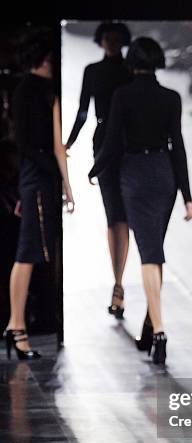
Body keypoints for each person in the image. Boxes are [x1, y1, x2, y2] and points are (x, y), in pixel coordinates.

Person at [89, 37, 192, 365]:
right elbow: (177, 145)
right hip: (164, 176)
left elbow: (112, 142)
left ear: (132, 62)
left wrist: (94, 170)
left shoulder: (122, 96)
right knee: (154, 250)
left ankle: (159, 330)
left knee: (150, 253)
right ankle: (150, 326)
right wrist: (187, 196)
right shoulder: (171, 98)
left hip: (133, 174)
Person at [4, 32, 75, 360]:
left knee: (28, 252)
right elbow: (39, 147)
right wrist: (63, 182)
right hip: (38, 177)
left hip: (35, 178)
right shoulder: (35, 92)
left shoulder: (29, 91)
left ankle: (16, 325)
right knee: (27, 253)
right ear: (43, 60)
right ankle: (16, 327)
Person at [65, 22, 132, 319]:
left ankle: (118, 284)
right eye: (108, 37)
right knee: (115, 215)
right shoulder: (94, 70)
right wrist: (68, 142)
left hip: (127, 143)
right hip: (106, 143)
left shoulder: (130, 68)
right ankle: (118, 283)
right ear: (101, 39)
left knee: (122, 216)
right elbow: (82, 110)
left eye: (117, 38)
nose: (112, 42)